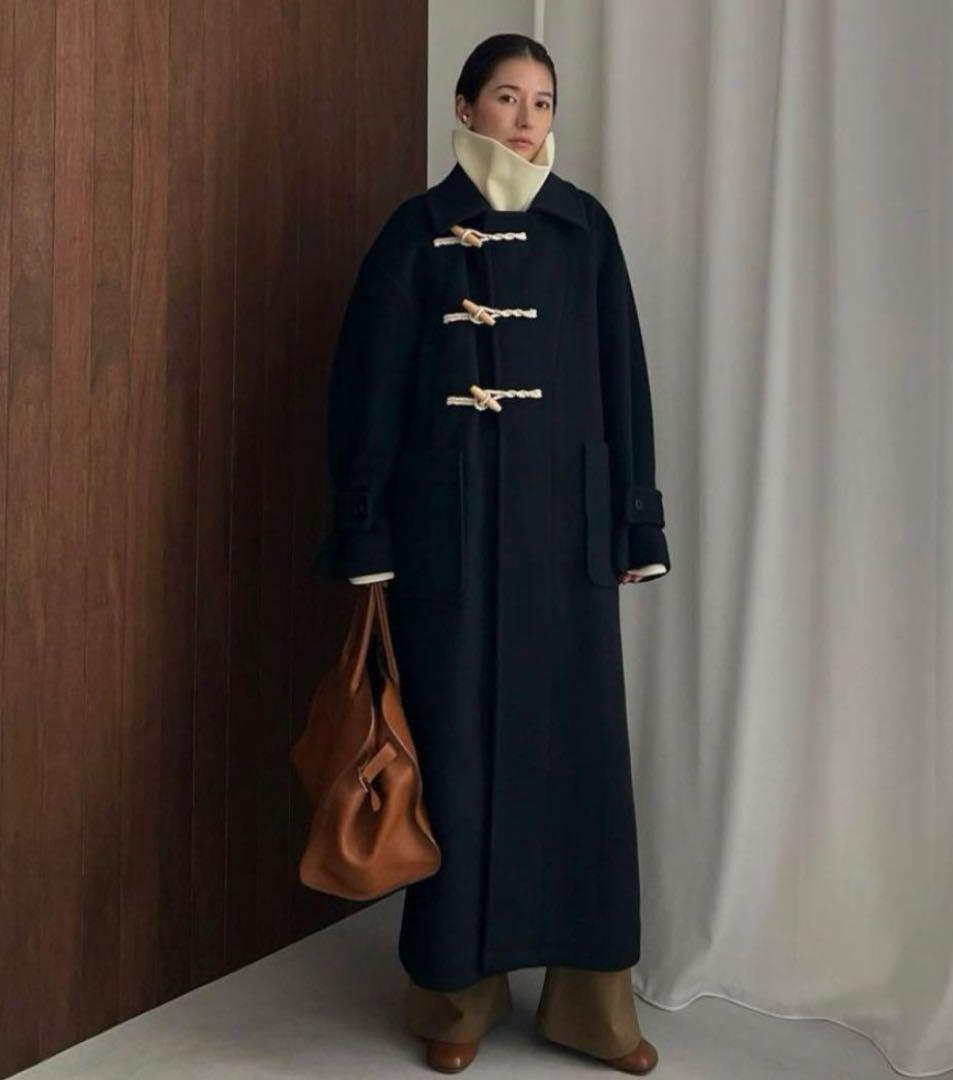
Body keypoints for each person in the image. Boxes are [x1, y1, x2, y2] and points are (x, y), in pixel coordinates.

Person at [313, 33, 669, 1075]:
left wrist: (636, 524)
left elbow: (624, 381)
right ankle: (454, 1002)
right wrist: (366, 530)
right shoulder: (414, 234)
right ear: (465, 107)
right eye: (507, 97)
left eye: (543, 101)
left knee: (581, 769)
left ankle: (590, 1011)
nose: (526, 118)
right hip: (447, 543)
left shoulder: (584, 230)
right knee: (455, 765)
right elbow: (366, 393)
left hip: (567, 540)